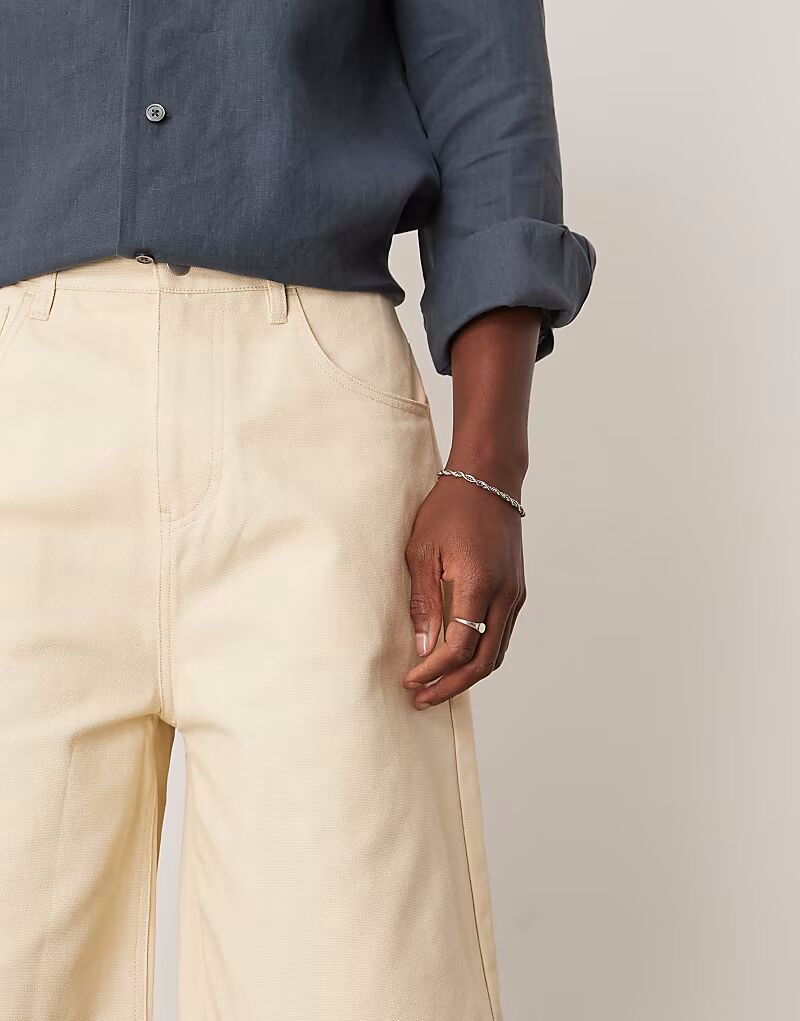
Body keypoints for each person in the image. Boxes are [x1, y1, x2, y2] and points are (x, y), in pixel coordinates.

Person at [0, 0, 594, 1017]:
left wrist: (488, 467)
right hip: (23, 400)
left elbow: (489, 103)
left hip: (311, 429)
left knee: (355, 968)